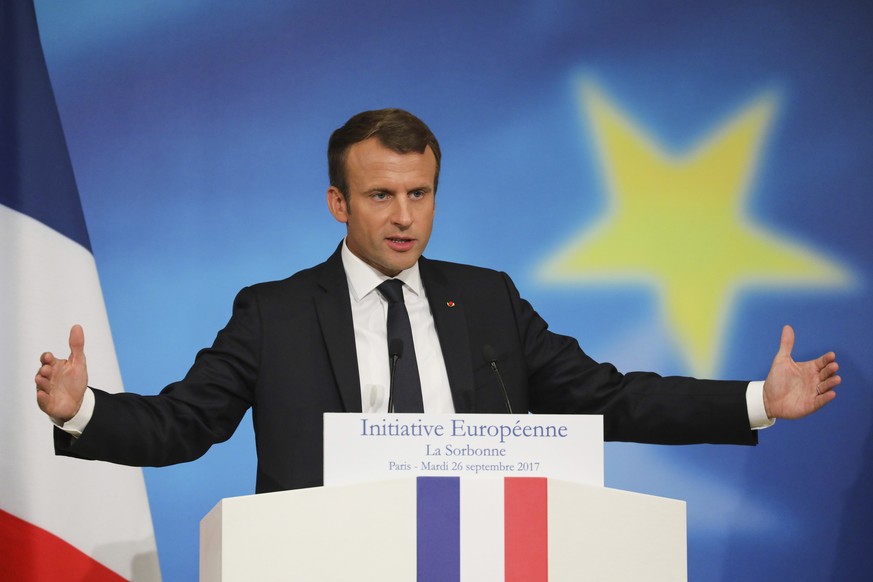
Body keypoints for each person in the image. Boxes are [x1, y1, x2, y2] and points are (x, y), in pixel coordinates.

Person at [35, 108, 841, 493]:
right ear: (336, 204)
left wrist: (753, 402)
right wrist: (82, 412)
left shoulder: (486, 302)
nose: (404, 215)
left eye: (419, 192)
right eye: (381, 195)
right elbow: (185, 423)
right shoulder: (274, 313)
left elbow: (608, 398)